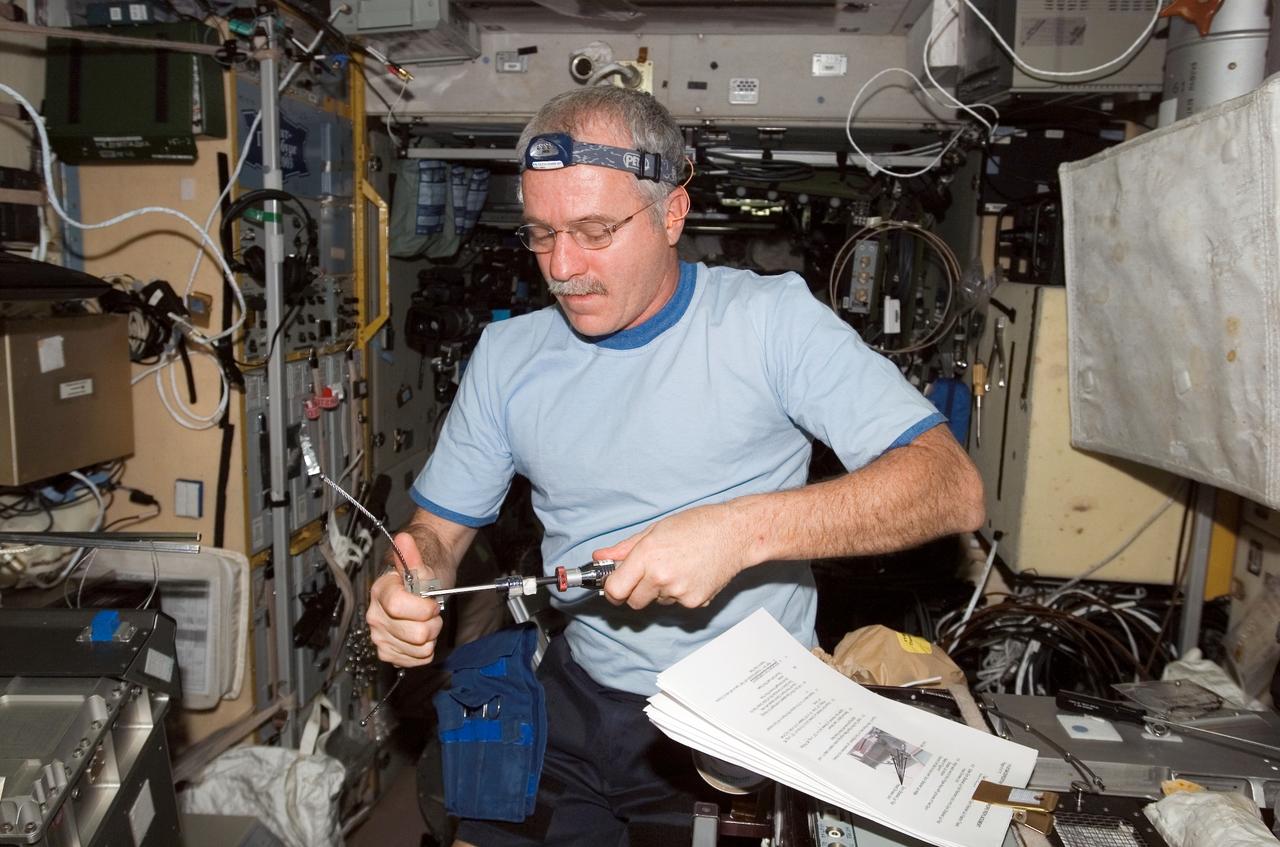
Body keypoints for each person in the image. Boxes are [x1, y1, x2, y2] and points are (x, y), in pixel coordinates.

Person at [366, 86, 984, 846]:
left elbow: (949, 485)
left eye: (595, 231)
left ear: (671, 214)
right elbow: (439, 531)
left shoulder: (768, 323)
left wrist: (740, 532)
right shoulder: (507, 356)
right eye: (540, 233)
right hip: (577, 688)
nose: (563, 266)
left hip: (741, 710)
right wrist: (414, 579)